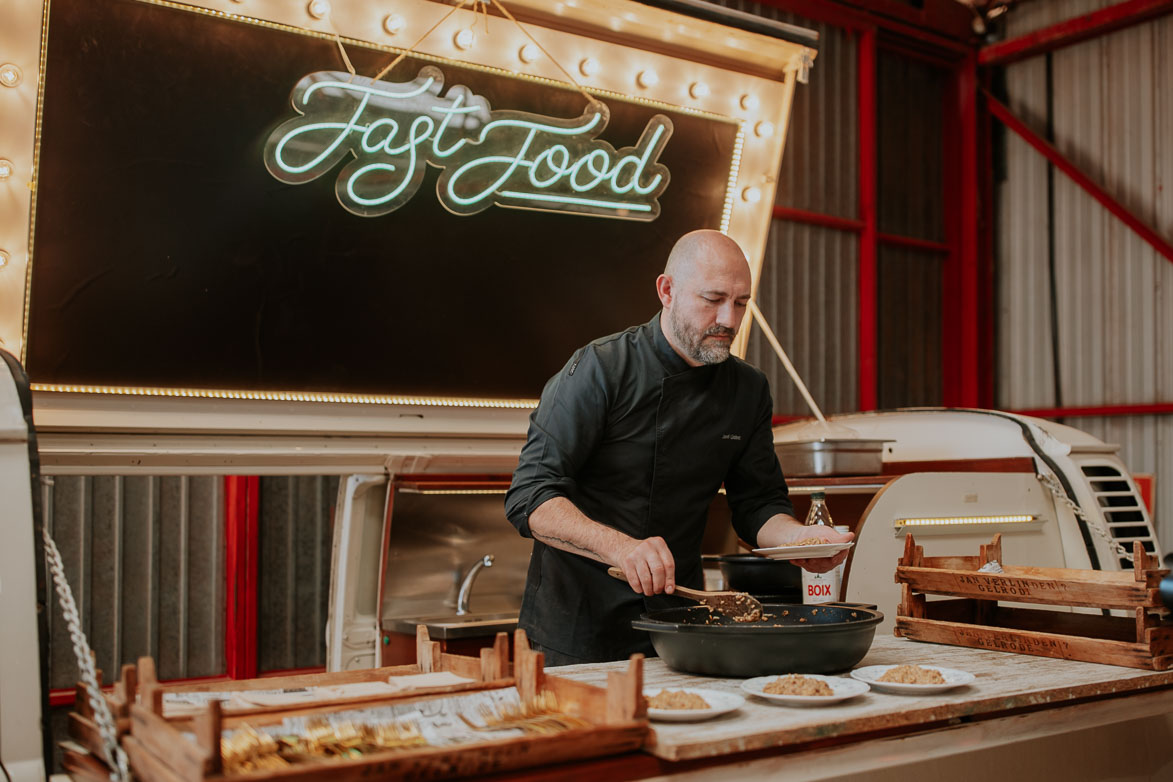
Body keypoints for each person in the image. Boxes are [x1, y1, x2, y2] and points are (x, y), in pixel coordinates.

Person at [504, 229, 853, 665]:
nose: (729, 318)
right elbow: (531, 496)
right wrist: (623, 548)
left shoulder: (747, 389)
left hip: (680, 627)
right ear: (666, 291)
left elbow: (758, 506)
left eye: (741, 302)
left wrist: (799, 542)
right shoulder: (600, 369)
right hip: (577, 633)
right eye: (712, 299)